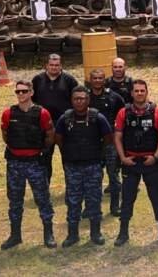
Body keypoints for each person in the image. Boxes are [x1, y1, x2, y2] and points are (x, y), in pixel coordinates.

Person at [113, 80, 158, 246]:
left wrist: (155, 157)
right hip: (130, 163)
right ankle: (123, 233)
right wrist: (123, 158)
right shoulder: (123, 113)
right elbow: (117, 137)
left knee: (156, 198)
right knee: (127, 199)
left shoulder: (157, 112)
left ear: (147, 92)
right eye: (136, 91)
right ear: (131, 93)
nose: (139, 93)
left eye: (142, 91)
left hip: (151, 163)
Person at [0, 80, 56, 249]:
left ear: (31, 93)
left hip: (35, 163)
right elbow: (5, 134)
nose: (21, 94)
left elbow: (50, 134)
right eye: (18, 92)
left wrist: (43, 152)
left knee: (43, 199)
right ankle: (15, 235)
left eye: (24, 91)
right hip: (15, 163)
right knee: (15, 201)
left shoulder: (42, 113)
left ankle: (48, 234)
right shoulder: (8, 113)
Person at [55, 87, 113, 247]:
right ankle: (73, 235)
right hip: (73, 167)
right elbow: (58, 139)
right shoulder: (65, 119)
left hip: (93, 166)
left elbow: (108, 138)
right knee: (73, 202)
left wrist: (96, 153)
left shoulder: (98, 118)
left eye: (82, 98)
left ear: (88, 100)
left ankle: (96, 233)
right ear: (71, 100)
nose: (79, 101)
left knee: (94, 200)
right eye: (76, 99)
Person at [31, 54, 79, 184]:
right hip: (44, 126)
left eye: (57, 65)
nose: (54, 67)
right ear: (46, 65)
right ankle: (44, 187)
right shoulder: (37, 80)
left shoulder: (69, 80)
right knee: (45, 158)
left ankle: (72, 187)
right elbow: (32, 100)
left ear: (61, 66)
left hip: (65, 125)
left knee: (68, 158)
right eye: (51, 65)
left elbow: (78, 99)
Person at [88, 68, 125, 217]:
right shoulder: (85, 97)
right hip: (91, 143)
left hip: (110, 143)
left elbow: (123, 117)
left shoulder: (114, 97)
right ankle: (91, 207)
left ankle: (115, 206)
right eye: (95, 78)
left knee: (113, 176)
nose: (97, 81)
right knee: (92, 178)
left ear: (105, 80)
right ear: (90, 80)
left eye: (100, 78)